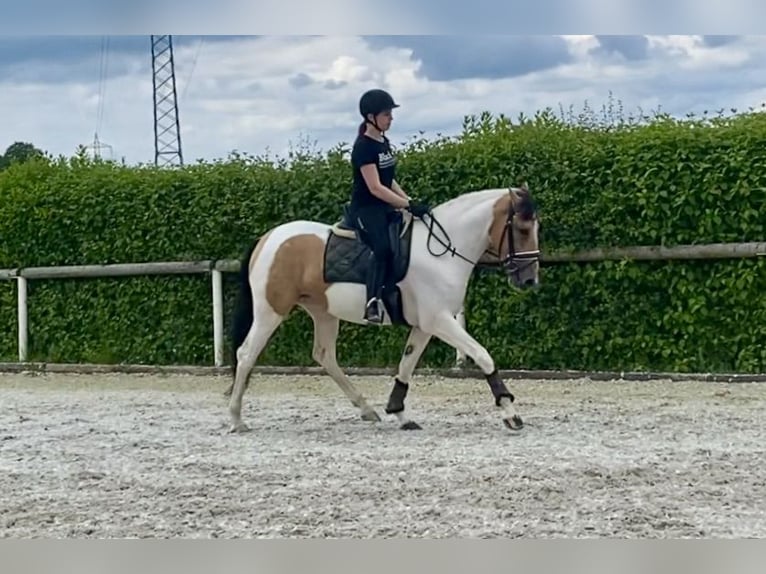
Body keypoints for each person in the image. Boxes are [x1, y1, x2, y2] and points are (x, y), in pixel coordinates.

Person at [348, 88, 430, 324]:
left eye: (390, 114)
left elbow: (389, 180)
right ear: (371, 117)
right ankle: (372, 302)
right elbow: (375, 187)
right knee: (382, 248)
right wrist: (406, 204)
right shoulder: (363, 147)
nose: (391, 118)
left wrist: (409, 202)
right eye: (386, 114)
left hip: (385, 205)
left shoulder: (383, 142)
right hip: (366, 210)